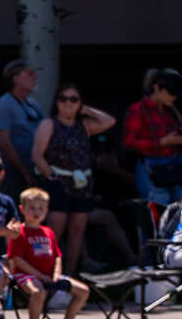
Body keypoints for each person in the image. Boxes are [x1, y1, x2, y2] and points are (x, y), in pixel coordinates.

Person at [31, 82, 130, 272]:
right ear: (56, 102)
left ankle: (70, 273)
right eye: (63, 99)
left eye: (73, 100)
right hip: (58, 182)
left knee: (77, 229)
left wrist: (85, 109)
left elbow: (109, 121)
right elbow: (37, 155)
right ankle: (46, 273)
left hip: (82, 185)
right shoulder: (49, 124)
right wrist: (51, 177)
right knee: (55, 229)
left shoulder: (83, 126)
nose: (68, 103)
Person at [6, 185, 91, 319]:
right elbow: (17, 259)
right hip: (26, 274)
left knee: (83, 291)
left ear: (47, 210)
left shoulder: (48, 232)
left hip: (49, 275)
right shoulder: (19, 232)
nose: (36, 212)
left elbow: (57, 256)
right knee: (38, 292)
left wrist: (57, 274)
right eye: (31, 208)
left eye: (41, 208)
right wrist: (39, 275)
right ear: (22, 209)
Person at [125, 69, 182, 214]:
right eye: (170, 92)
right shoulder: (138, 109)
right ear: (157, 88)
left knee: (178, 218)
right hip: (151, 169)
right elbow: (129, 143)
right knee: (157, 216)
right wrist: (163, 142)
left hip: (175, 166)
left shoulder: (172, 112)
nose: (174, 97)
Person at [0, 61, 44, 189]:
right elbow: (3, 143)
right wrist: (24, 171)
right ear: (16, 78)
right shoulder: (4, 104)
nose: (35, 77)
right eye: (30, 74)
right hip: (14, 173)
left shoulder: (33, 104)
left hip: (35, 170)